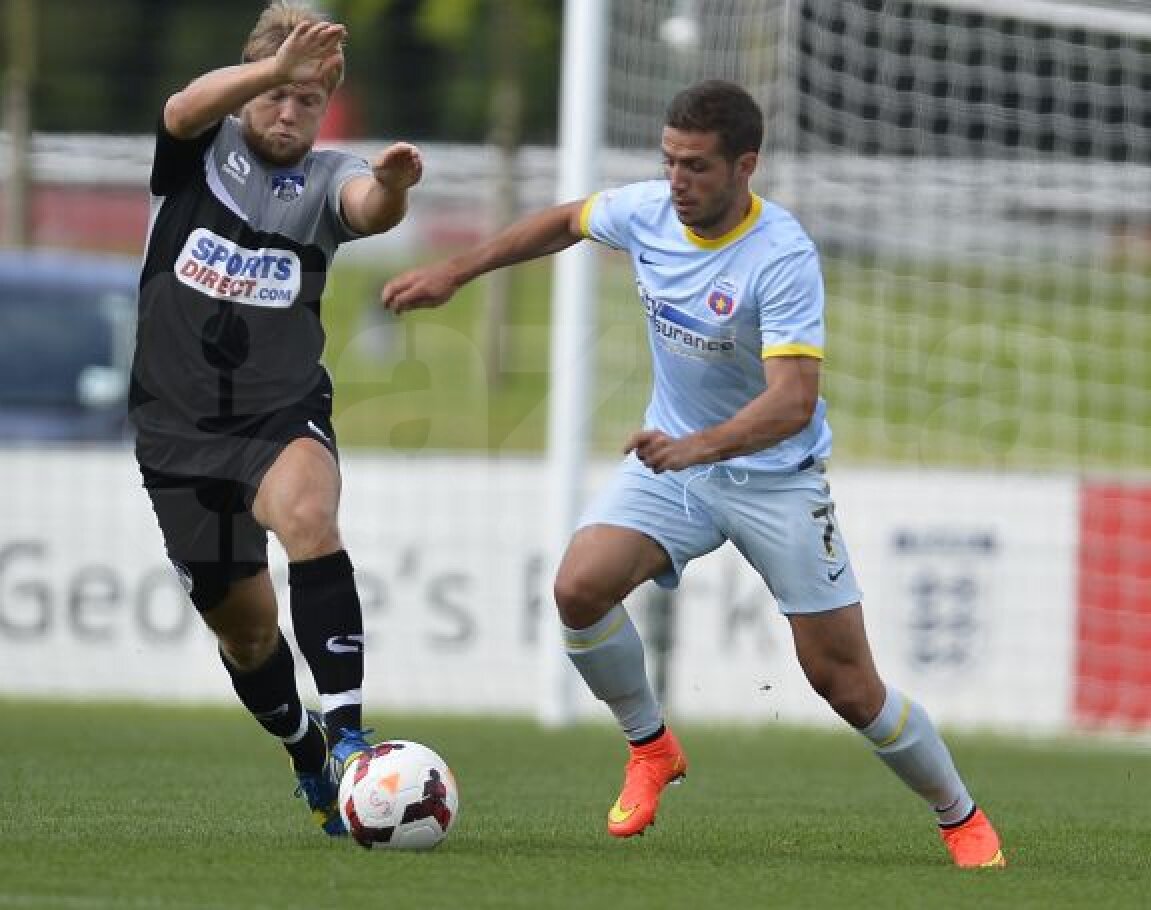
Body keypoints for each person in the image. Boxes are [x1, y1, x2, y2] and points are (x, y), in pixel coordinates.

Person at [381, 79, 1006, 868]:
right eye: (670, 161)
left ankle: (960, 816)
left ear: (746, 166)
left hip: (775, 478)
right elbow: (564, 221)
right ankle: (652, 748)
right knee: (579, 587)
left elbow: (792, 401)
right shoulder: (649, 209)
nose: (677, 180)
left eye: (698, 167)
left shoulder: (780, 256)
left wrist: (701, 445)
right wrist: (458, 272)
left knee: (845, 684)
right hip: (674, 460)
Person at [128, 1, 422, 837]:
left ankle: (355, 739)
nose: (290, 114)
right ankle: (307, 756)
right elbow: (182, 108)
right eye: (277, 96)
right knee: (249, 635)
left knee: (308, 514)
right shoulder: (200, 151)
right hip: (176, 429)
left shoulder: (328, 176)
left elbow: (367, 206)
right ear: (253, 84)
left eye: (307, 101)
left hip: (277, 407)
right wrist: (273, 68)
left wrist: (394, 187)